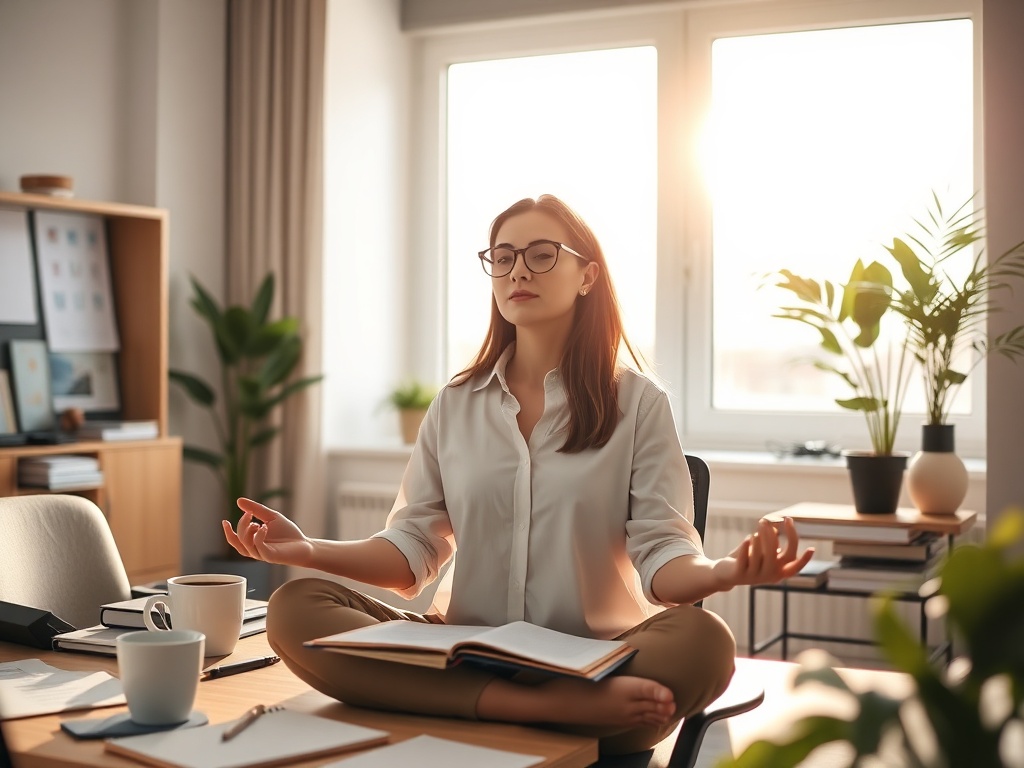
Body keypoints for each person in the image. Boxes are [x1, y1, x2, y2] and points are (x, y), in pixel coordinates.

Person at [223, 194, 813, 755]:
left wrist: (726, 571)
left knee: (705, 644)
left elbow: (662, 558)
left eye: (540, 255)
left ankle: (457, 705)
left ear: (588, 274)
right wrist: (306, 549)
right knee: (294, 606)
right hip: (461, 648)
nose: (516, 272)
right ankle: (528, 705)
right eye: (502, 258)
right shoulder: (455, 404)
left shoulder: (638, 402)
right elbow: (410, 552)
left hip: (598, 659)